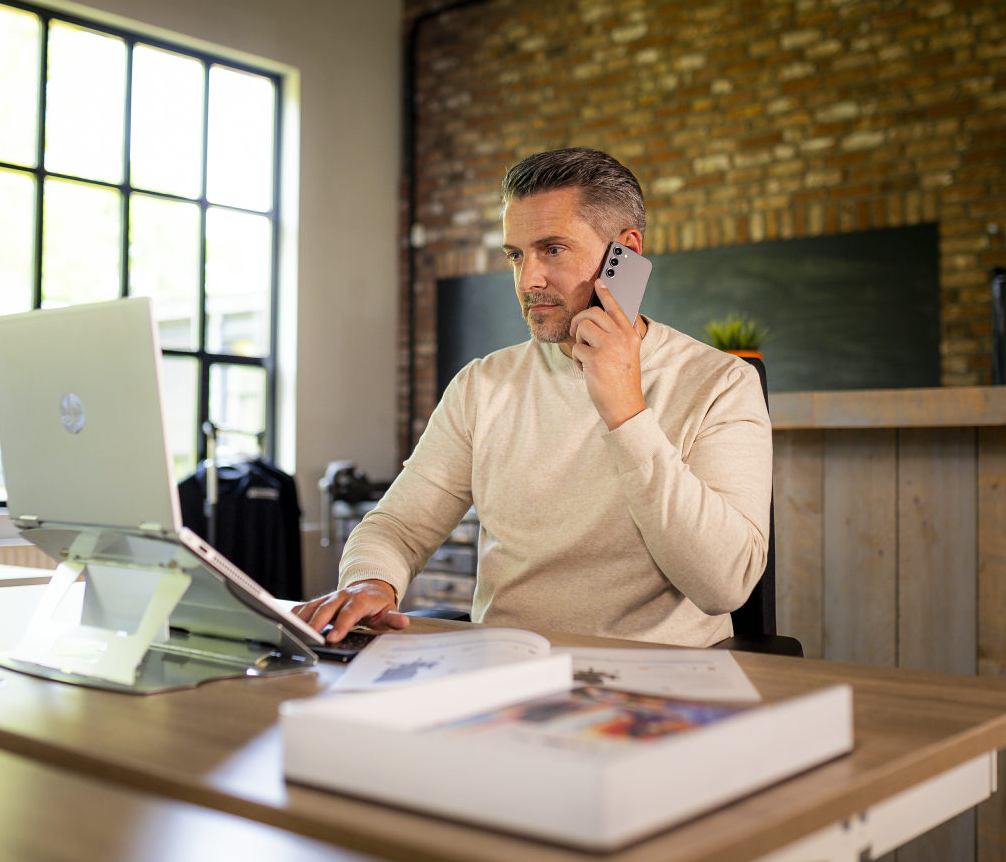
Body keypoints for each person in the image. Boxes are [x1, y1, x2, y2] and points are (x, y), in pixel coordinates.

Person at [296, 147, 771, 647]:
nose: (527, 280)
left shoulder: (720, 383)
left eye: (553, 249)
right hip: (506, 668)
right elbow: (398, 526)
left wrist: (626, 412)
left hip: (657, 677)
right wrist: (371, 580)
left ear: (626, 252)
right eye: (516, 255)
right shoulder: (482, 385)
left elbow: (724, 585)